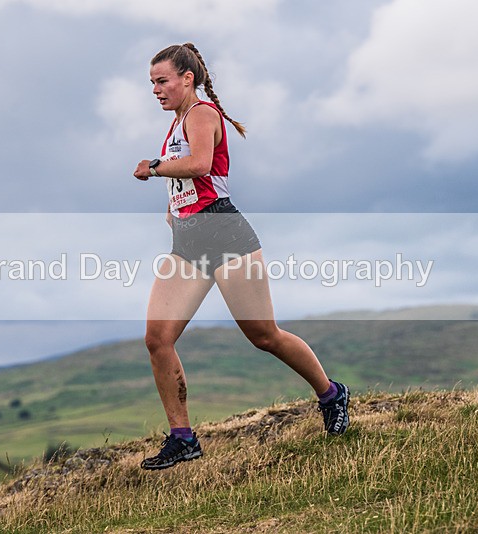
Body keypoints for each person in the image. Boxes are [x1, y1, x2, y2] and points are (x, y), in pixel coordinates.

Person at [133, 43, 350, 470]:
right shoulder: (178, 120)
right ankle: (183, 438)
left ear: (186, 78)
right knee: (157, 339)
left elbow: (198, 164)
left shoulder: (202, 114)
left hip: (226, 234)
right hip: (190, 242)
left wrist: (154, 167)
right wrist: (174, 211)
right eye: (152, 83)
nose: (155, 90)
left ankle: (331, 393)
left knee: (264, 336)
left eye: (162, 81)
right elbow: (196, 179)